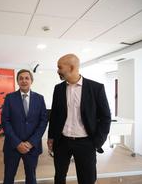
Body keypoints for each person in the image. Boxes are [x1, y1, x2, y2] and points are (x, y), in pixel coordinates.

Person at [47, 54, 111, 184]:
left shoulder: (96, 88)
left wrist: (97, 142)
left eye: (60, 67)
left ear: (71, 67)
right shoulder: (58, 89)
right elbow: (54, 115)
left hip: (86, 143)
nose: (58, 70)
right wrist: (51, 137)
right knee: (59, 177)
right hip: (62, 142)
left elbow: (105, 117)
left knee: (87, 179)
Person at [1, 69, 48, 184]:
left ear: (31, 80)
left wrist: (31, 142)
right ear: (17, 81)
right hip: (12, 145)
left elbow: (43, 121)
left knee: (31, 177)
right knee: (8, 176)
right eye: (21, 78)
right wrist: (17, 143)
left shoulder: (39, 98)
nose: (24, 80)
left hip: (32, 146)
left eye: (27, 78)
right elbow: (5, 121)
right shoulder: (9, 98)